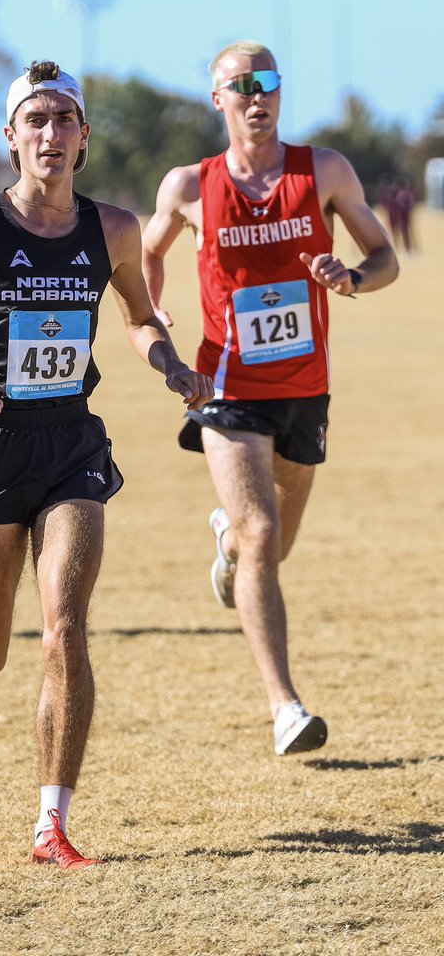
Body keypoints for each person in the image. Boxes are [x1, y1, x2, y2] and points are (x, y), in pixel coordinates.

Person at [0, 61, 213, 868]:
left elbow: (140, 317)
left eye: (65, 120)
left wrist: (169, 364)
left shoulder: (114, 230)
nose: (51, 135)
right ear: (11, 138)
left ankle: (51, 824)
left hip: (72, 443)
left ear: (84, 137)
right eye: (36, 121)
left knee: (65, 629)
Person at [142, 40, 399, 757]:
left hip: (305, 388)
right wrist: (154, 313)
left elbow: (387, 260)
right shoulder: (190, 187)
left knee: (272, 542)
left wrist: (348, 277)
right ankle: (284, 706)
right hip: (225, 386)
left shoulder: (324, 170)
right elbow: (149, 257)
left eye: (269, 83)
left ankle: (225, 540)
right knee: (263, 535)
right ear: (216, 99)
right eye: (241, 85)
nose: (258, 96)